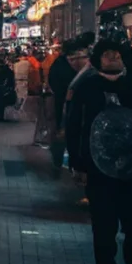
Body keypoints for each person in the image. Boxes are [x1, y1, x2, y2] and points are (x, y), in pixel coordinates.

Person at [64, 38, 132, 264]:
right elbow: (74, 126)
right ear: (97, 59)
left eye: (117, 54)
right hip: (99, 170)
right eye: (107, 54)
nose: (113, 57)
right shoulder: (86, 88)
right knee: (104, 228)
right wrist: (77, 161)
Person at [48, 37, 89, 171]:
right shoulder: (62, 65)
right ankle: (61, 159)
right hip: (65, 104)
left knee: (67, 132)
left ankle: (65, 160)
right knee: (65, 131)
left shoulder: (60, 64)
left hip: (69, 104)